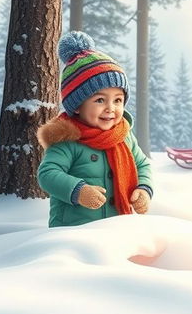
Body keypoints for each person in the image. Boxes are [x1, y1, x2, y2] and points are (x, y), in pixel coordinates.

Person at [37, 31, 152, 228]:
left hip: (116, 227)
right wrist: (77, 191)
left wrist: (143, 189)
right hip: (73, 230)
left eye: (118, 100)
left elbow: (142, 164)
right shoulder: (67, 139)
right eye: (100, 100)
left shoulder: (123, 136)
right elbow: (47, 174)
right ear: (78, 105)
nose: (111, 108)